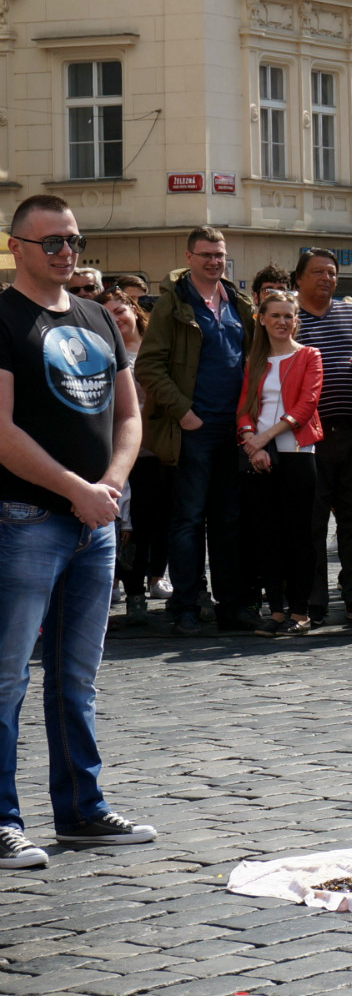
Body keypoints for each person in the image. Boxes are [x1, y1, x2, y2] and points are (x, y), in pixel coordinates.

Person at [0, 195, 155, 868]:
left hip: (96, 522)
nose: (67, 252)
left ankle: (82, 810)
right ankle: (2, 818)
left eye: (74, 240)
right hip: (26, 516)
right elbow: (2, 431)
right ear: (18, 248)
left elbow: (129, 412)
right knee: (6, 678)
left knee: (76, 676)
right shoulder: (3, 317)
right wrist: (77, 490)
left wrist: (111, 486)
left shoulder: (95, 315)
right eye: (52, 242)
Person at [136, 226, 256, 636]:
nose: (213, 261)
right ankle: (186, 605)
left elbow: (251, 361)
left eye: (219, 254)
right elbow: (148, 367)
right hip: (193, 428)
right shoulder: (174, 305)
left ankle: (230, 605)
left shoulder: (239, 302)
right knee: (187, 520)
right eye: (205, 254)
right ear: (189, 257)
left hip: (233, 428)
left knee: (229, 521)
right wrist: (185, 413)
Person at [292, 249, 352, 624]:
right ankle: (312, 599)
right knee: (310, 521)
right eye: (317, 272)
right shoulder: (289, 317)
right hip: (306, 439)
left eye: (331, 272)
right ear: (299, 279)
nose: (326, 278)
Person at [233, 292, 324, 637]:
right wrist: (251, 444)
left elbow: (306, 404)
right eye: (276, 316)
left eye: (289, 316)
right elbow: (243, 407)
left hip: (296, 452)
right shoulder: (254, 361)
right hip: (260, 456)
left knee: (299, 534)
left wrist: (263, 437)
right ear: (262, 319)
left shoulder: (309, 356)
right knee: (266, 534)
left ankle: (300, 611)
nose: (283, 322)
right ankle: (275, 611)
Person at [98, 292, 167, 625]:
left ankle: (158, 578)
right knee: (128, 528)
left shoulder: (155, 350)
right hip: (120, 453)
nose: (117, 318)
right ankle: (134, 592)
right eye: (108, 314)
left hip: (155, 449)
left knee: (156, 523)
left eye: (120, 311)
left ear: (135, 311)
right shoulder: (102, 354)